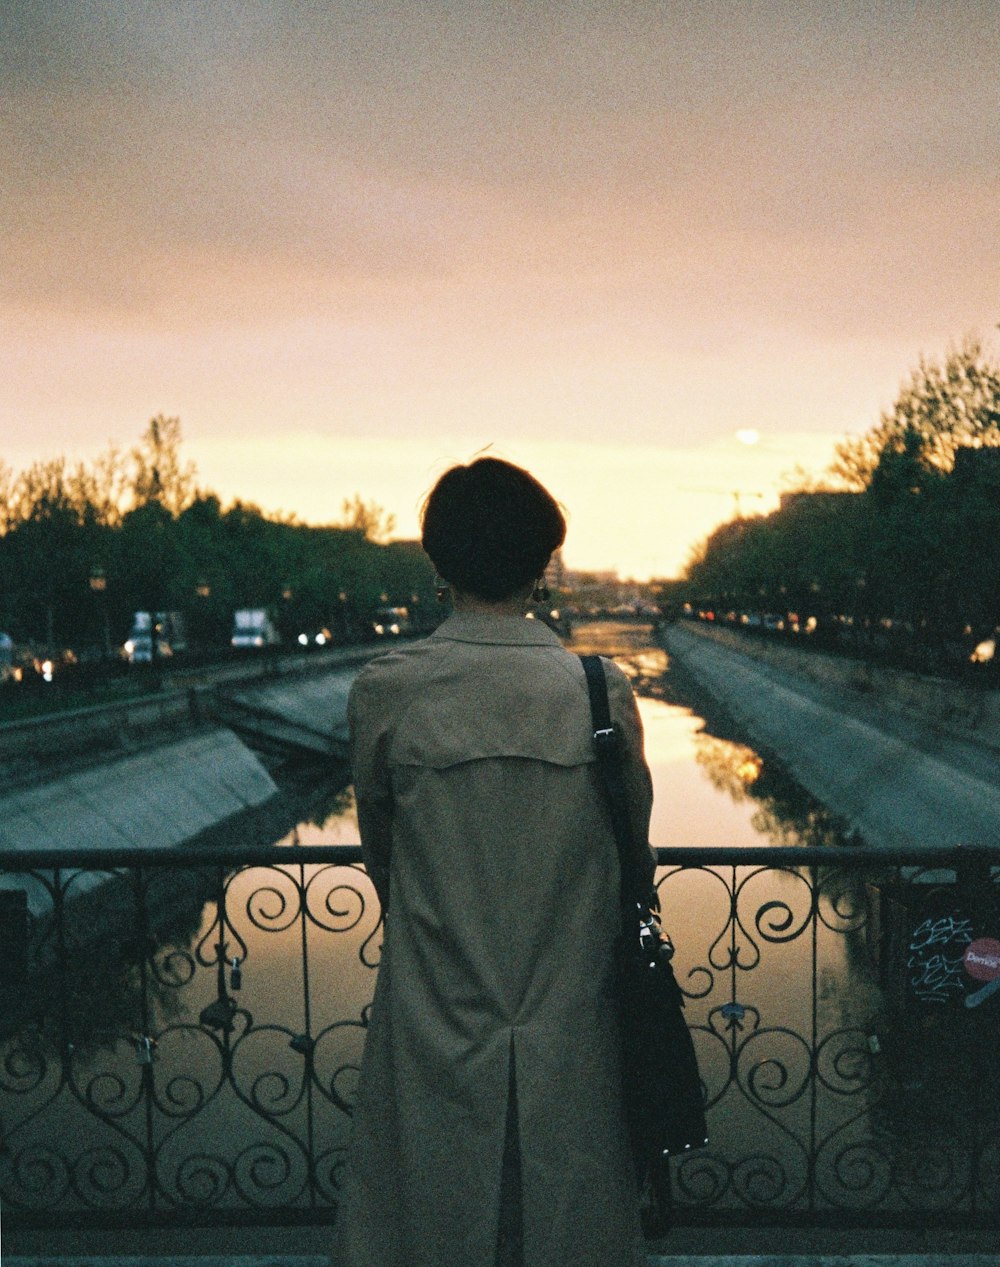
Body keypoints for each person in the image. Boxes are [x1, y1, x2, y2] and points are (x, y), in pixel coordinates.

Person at [332, 457, 655, 1267]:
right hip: (572, 1020)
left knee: (430, 1222)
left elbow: (385, 859)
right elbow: (631, 857)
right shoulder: (597, 691)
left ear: (438, 562)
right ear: (543, 563)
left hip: (434, 1014)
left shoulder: (389, 688)